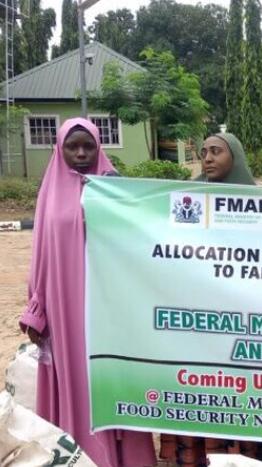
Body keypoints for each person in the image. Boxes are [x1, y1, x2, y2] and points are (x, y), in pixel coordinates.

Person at [21, 118, 156, 467]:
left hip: (110, 308)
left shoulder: (114, 186)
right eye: (73, 146)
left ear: (99, 147)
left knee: (112, 380)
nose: (81, 153)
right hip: (64, 309)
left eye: (88, 146)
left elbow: (142, 241)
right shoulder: (50, 192)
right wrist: (36, 310)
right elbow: (41, 255)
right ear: (60, 148)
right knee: (76, 381)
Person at [159, 133, 262, 467]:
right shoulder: (187, 201)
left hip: (242, 325)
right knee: (200, 390)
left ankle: (245, 458)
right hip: (198, 324)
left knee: (239, 394)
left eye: (216, 151)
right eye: (203, 152)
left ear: (235, 156)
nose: (207, 158)